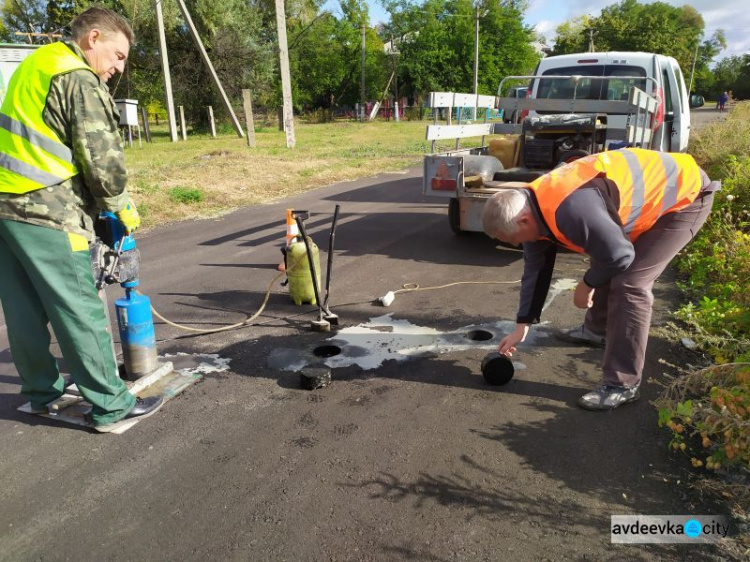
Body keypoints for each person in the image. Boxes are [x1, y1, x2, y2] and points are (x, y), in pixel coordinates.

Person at [0, 7, 163, 428]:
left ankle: (42, 393)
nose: (118, 68)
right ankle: (111, 405)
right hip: (47, 210)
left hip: (6, 210)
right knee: (80, 307)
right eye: (118, 55)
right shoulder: (77, 76)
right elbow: (102, 162)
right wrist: (118, 205)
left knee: (23, 311)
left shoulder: (38, 62)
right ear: (93, 38)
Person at [482, 148, 719, 410]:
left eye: (512, 239)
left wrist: (586, 285)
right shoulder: (531, 207)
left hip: (685, 196)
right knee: (602, 250)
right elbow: (535, 270)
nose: (515, 244)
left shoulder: (571, 209)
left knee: (630, 284)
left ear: (524, 220)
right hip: (652, 193)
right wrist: (522, 325)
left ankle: (623, 384)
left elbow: (619, 256)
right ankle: (596, 332)